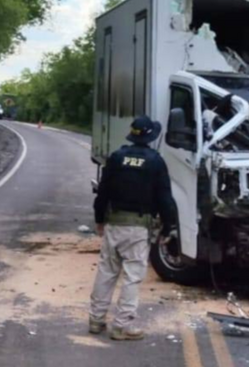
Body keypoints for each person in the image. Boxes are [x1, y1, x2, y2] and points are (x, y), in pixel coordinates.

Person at [88, 116, 178, 341]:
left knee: (106, 271)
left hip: (114, 224)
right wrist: (169, 227)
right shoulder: (156, 161)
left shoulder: (117, 157)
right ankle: (122, 325)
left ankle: (96, 320)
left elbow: (103, 193)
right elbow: (165, 198)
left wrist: (99, 219)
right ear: (151, 137)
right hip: (138, 228)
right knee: (132, 276)